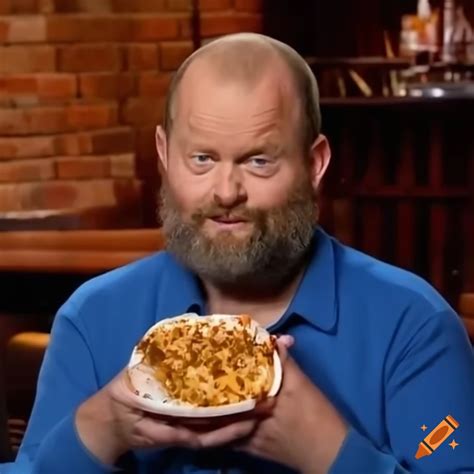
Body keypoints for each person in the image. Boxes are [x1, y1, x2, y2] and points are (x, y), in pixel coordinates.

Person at [3, 33, 474, 474]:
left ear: (314, 165)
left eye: (258, 161)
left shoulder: (414, 326)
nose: (226, 192)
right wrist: (101, 428)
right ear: (165, 156)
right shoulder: (92, 317)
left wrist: (327, 449)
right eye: (202, 159)